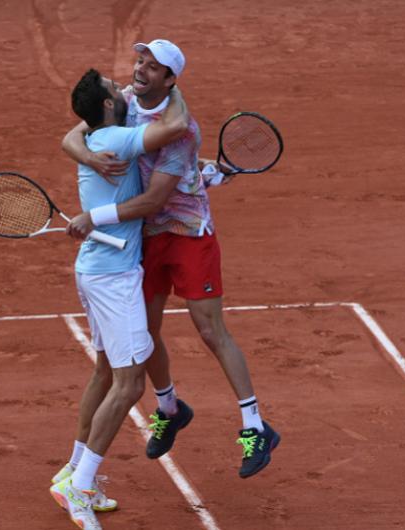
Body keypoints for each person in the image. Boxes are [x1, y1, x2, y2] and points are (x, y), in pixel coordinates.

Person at [62, 39, 280, 479]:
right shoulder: (121, 100)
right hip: (146, 238)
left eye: (152, 67)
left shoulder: (183, 128)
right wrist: (88, 155)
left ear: (169, 79)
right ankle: (169, 407)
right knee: (147, 330)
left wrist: (94, 216)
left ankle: (255, 426)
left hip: (186, 233)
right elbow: (70, 134)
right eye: (140, 61)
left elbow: (156, 196)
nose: (140, 70)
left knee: (208, 329)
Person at [49, 68, 189, 530]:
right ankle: (80, 485)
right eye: (116, 87)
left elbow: (73, 133)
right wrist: (171, 81)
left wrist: (85, 155)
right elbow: (176, 126)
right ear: (108, 105)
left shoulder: (97, 133)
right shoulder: (121, 138)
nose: (124, 87)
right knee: (130, 385)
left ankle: (71, 470)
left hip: (93, 272)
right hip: (115, 277)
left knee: (106, 371)